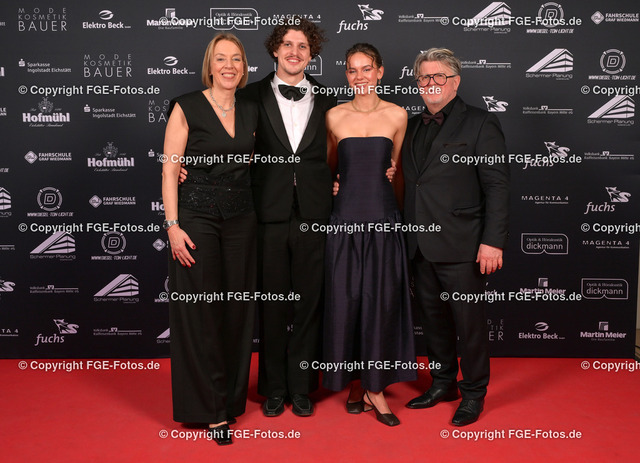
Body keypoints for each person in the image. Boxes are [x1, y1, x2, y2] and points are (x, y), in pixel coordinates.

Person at [402, 48, 509, 426]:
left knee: (470, 326)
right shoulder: (410, 126)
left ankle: (474, 393)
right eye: (424, 77)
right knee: (433, 322)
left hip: (464, 245)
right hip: (420, 244)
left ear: (455, 81)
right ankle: (443, 383)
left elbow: (497, 186)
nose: (431, 83)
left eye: (439, 76)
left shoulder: (481, 122)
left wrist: (492, 241)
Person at [162, 33, 257, 445]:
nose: (229, 66)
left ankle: (230, 399)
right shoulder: (186, 106)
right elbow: (170, 169)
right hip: (196, 218)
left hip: (241, 219)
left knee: (235, 312)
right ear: (210, 65)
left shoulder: (251, 109)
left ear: (244, 66)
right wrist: (172, 225)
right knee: (201, 311)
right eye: (221, 59)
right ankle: (210, 410)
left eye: (236, 59)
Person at [239, 18, 336, 418]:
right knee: (273, 305)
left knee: (310, 304)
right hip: (268, 213)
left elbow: (342, 148)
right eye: (288, 45)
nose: (295, 52)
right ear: (275, 50)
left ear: (312, 54)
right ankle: (274, 388)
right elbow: (225, 142)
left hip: (315, 212)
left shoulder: (330, 99)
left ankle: (302, 387)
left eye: (303, 46)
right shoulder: (249, 96)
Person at [323, 43, 415, 427]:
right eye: (352, 69)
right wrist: (334, 187)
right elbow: (330, 168)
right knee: (346, 306)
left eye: (366, 68)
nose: (359, 76)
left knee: (380, 304)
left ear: (380, 71)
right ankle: (356, 384)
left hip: (383, 222)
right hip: (344, 223)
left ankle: (374, 388)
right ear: (346, 74)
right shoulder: (333, 116)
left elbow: (400, 174)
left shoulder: (397, 115)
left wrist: (397, 220)